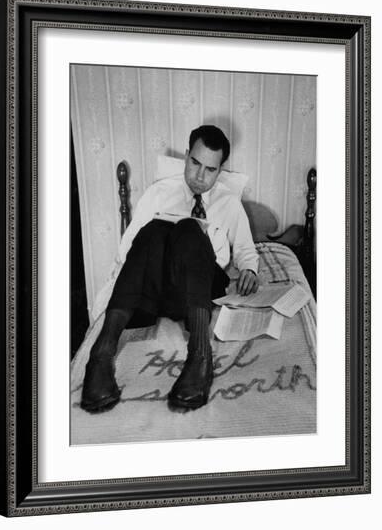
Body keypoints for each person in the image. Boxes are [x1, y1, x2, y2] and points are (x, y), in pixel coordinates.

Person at [80, 125, 259, 413]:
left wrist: (249, 270)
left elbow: (246, 251)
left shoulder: (229, 203)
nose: (200, 176)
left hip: (201, 288)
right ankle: (101, 354)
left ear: (220, 170)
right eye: (195, 163)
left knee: (190, 228)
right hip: (157, 289)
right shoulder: (158, 193)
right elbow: (129, 250)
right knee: (153, 230)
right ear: (186, 156)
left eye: (210, 170)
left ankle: (200, 354)